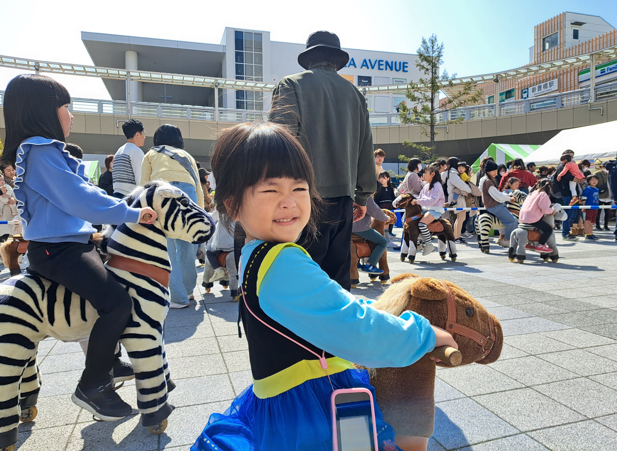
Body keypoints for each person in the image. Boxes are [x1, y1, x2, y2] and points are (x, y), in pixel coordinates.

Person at [194, 122, 454, 451]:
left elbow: (329, 308)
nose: (289, 202)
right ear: (232, 205)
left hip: (281, 404)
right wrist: (424, 334)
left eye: (299, 189)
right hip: (313, 411)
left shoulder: (254, 252)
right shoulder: (282, 261)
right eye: (271, 190)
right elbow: (354, 328)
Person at [0, 74, 157, 420]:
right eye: (66, 108)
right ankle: (93, 383)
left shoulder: (44, 152)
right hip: (59, 252)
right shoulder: (40, 151)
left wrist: (120, 206)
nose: (71, 116)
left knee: (122, 280)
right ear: (43, 111)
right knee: (117, 303)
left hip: (70, 245)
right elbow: (78, 198)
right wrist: (130, 213)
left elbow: (88, 192)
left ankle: (111, 361)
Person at [268, 30, 375, 291]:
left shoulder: (290, 85)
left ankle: (298, 332)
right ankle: (336, 330)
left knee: (300, 274)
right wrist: (362, 197)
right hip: (343, 200)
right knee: (338, 279)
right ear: (336, 61)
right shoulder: (355, 95)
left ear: (309, 58)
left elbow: (279, 142)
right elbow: (365, 148)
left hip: (302, 198)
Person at [139, 124, 203, 309]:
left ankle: (178, 298)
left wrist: (144, 211)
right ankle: (189, 291)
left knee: (167, 250)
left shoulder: (151, 154)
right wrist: (200, 212)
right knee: (187, 247)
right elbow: (198, 186)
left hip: (162, 194)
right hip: (187, 196)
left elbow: (144, 184)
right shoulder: (187, 156)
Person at [352, 196, 390, 275]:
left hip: (346, 227)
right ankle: (370, 265)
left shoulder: (348, 193)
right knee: (383, 242)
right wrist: (386, 218)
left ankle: (357, 263)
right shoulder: (365, 196)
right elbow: (375, 211)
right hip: (360, 227)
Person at [111, 119, 146, 198]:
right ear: (137, 135)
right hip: (129, 196)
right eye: (143, 134)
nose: (144, 137)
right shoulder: (137, 151)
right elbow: (140, 179)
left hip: (116, 194)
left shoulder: (119, 151)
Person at [520, 180, 557, 253]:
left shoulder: (532, 193)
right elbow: (545, 209)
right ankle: (541, 245)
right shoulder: (543, 194)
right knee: (548, 229)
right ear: (549, 186)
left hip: (522, 217)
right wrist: (552, 211)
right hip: (532, 217)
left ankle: (530, 243)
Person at [555, 152, 585, 240]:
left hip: (574, 194)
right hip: (567, 193)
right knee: (568, 214)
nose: (571, 158)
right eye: (570, 156)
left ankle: (568, 232)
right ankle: (565, 233)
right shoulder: (562, 166)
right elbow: (570, 176)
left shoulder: (571, 164)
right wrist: (578, 179)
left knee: (573, 214)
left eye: (572, 156)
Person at [582, 176, 601, 241]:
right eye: (592, 180)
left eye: (596, 180)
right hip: (589, 207)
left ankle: (591, 233)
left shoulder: (597, 189)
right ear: (589, 181)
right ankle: (587, 234)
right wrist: (584, 207)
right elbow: (584, 199)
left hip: (595, 207)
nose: (594, 181)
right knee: (588, 221)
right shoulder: (588, 189)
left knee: (592, 222)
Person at [594, 162, 610, 232]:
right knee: (598, 211)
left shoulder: (610, 173)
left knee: (607, 211)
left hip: (609, 195)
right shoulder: (597, 174)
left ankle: (606, 225)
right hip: (600, 195)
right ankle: (597, 225)